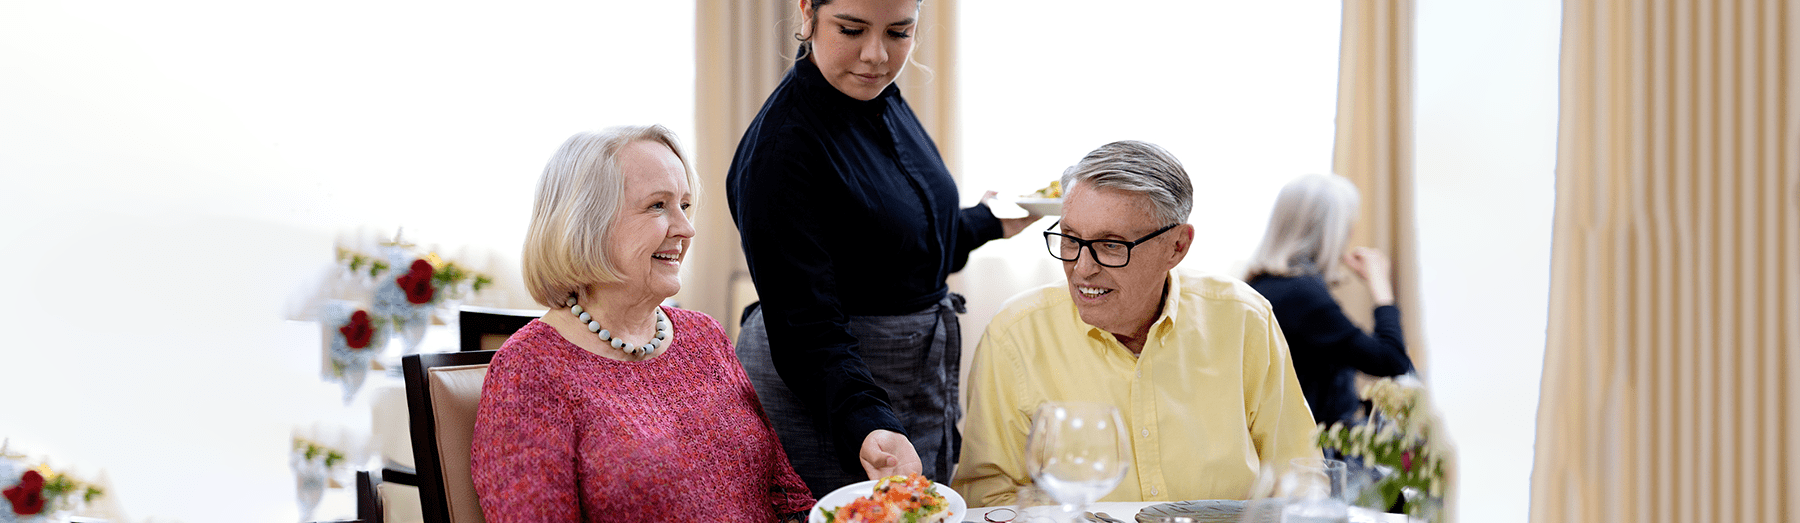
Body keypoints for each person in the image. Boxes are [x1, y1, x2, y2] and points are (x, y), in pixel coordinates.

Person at [727, 0, 1041, 497]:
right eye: (851, 30)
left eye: (899, 32)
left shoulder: (878, 95)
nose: (876, 55)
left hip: (909, 378)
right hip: (829, 392)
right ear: (807, 13)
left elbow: (900, 249)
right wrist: (867, 420)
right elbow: (807, 326)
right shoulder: (783, 148)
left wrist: (990, 223)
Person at [470, 126, 814, 522]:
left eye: (684, 205)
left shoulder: (703, 336)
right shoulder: (531, 370)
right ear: (586, 223)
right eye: (657, 206)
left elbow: (786, 496)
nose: (686, 229)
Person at [951, 141, 1319, 506]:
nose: (1082, 268)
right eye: (1070, 238)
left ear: (1177, 246)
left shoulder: (1244, 318)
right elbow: (988, 496)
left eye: (1111, 245)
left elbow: (1298, 475)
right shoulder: (1015, 334)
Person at [1244, 173, 1412, 428]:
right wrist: (1380, 283)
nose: (1351, 234)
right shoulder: (1303, 295)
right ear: (1330, 233)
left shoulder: (1261, 285)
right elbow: (1391, 361)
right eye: (1347, 229)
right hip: (1313, 454)